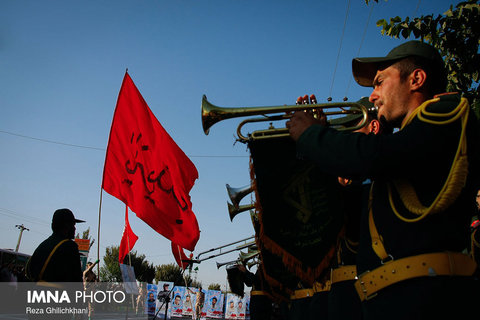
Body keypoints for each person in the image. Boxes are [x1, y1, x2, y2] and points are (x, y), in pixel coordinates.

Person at [287, 40, 480, 320]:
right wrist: (323, 148)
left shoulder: (447, 112)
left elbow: (375, 156)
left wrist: (314, 136)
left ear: (416, 79)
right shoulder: (404, 153)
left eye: (379, 82)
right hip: (397, 297)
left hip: (427, 297)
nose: (374, 97)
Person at [26, 208, 84, 282]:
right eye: (73, 225)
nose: (75, 228)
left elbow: (28, 272)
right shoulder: (68, 246)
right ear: (66, 226)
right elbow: (75, 280)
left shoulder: (43, 245)